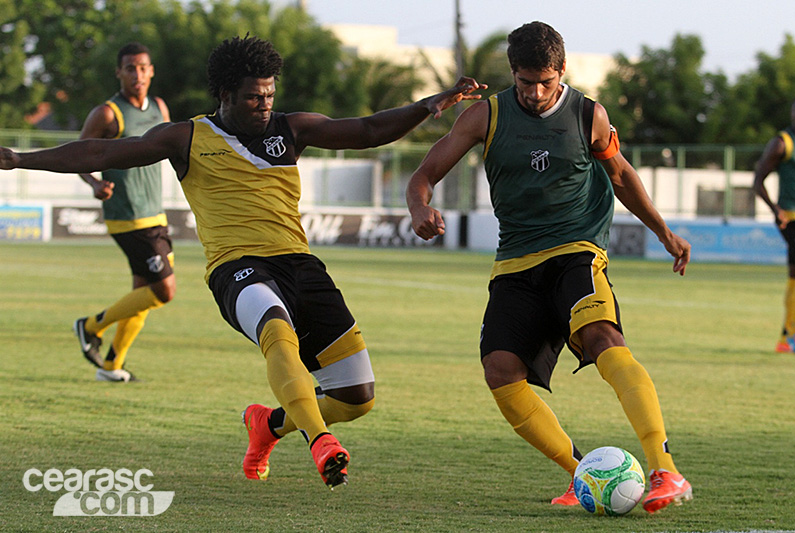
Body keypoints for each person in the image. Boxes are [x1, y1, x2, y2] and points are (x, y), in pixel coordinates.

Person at [0, 35, 485, 488]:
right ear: (226, 95)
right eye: (256, 97)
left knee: (357, 395)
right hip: (237, 269)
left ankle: (268, 424)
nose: (266, 104)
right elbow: (104, 149)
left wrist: (428, 104)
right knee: (276, 331)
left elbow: (368, 130)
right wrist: (23, 159)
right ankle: (321, 442)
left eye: (270, 94)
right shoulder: (186, 137)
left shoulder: (292, 129)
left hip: (300, 265)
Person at [405, 21, 693, 513]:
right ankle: (581, 473)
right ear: (512, 74)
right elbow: (424, 175)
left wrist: (664, 232)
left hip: (577, 248)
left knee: (603, 337)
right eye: (525, 82)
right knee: (500, 370)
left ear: (562, 71)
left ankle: (665, 469)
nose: (536, 93)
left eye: (546, 82)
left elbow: (620, 175)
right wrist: (419, 209)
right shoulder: (484, 117)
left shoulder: (588, 115)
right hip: (515, 261)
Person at [72, 42, 174, 382]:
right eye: (130, 68)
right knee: (165, 290)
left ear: (152, 70)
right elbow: (80, 154)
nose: (138, 74)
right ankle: (90, 326)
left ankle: (113, 365)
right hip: (127, 215)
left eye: (143, 67)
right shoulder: (107, 113)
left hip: (155, 212)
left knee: (142, 292)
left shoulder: (159, 107)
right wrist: (93, 183)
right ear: (119, 72)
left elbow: (173, 149)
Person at [753, 97, 795, 353]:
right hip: (791, 218)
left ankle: (787, 338)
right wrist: (775, 209)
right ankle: (793, 336)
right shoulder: (783, 143)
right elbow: (758, 180)